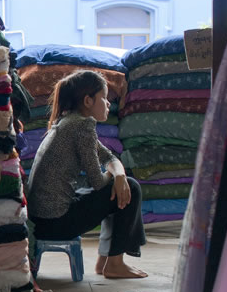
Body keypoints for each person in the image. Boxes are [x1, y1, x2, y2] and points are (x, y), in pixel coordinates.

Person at [26, 69, 147, 279]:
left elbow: (108, 157)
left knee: (121, 184)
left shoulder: (70, 121)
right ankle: (114, 263)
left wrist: (118, 175)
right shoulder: (82, 126)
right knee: (131, 188)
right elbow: (99, 182)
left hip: (43, 220)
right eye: (104, 98)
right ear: (88, 101)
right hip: (55, 223)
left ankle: (105, 262)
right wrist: (116, 177)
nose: (109, 104)